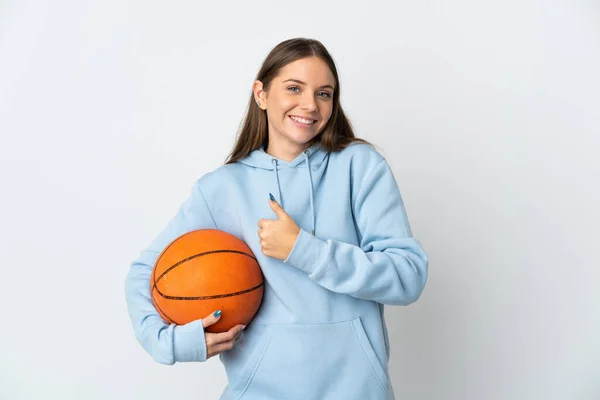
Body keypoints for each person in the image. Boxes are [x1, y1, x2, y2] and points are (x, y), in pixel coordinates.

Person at [125, 37, 428, 400]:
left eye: (324, 93)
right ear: (261, 94)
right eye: (294, 88)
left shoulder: (360, 167)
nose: (310, 105)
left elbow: (407, 275)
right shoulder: (222, 188)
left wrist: (305, 250)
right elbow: (145, 274)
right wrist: (176, 343)